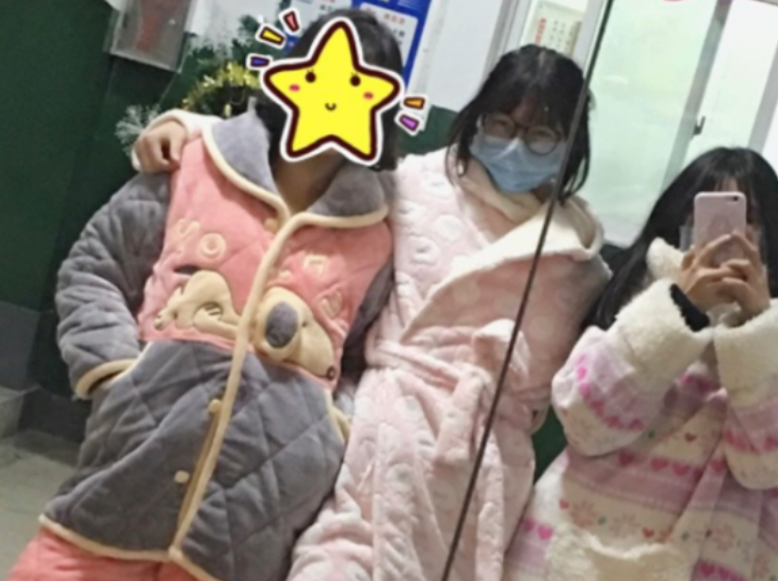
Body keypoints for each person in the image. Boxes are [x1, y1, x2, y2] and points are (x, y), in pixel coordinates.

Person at [129, 45, 609, 581]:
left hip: (482, 479)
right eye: (501, 124)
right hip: (375, 440)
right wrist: (191, 126)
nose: (515, 146)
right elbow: (302, 164)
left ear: (571, 144)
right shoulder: (415, 186)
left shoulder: (579, 262)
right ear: (478, 118)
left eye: (541, 135)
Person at [7, 9, 402, 581]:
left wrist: (328, 428)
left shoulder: (375, 235)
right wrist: (117, 373)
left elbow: (365, 360)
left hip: (247, 529)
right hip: (124, 483)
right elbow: (94, 268)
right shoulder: (193, 162)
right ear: (294, 76)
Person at [503, 148, 778, 581]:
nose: (728, 233)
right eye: (704, 214)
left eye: (748, 218)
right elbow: (586, 422)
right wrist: (680, 309)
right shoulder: (633, 290)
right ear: (679, 221)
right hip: (568, 549)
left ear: (770, 232)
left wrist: (758, 325)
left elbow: (775, 465)